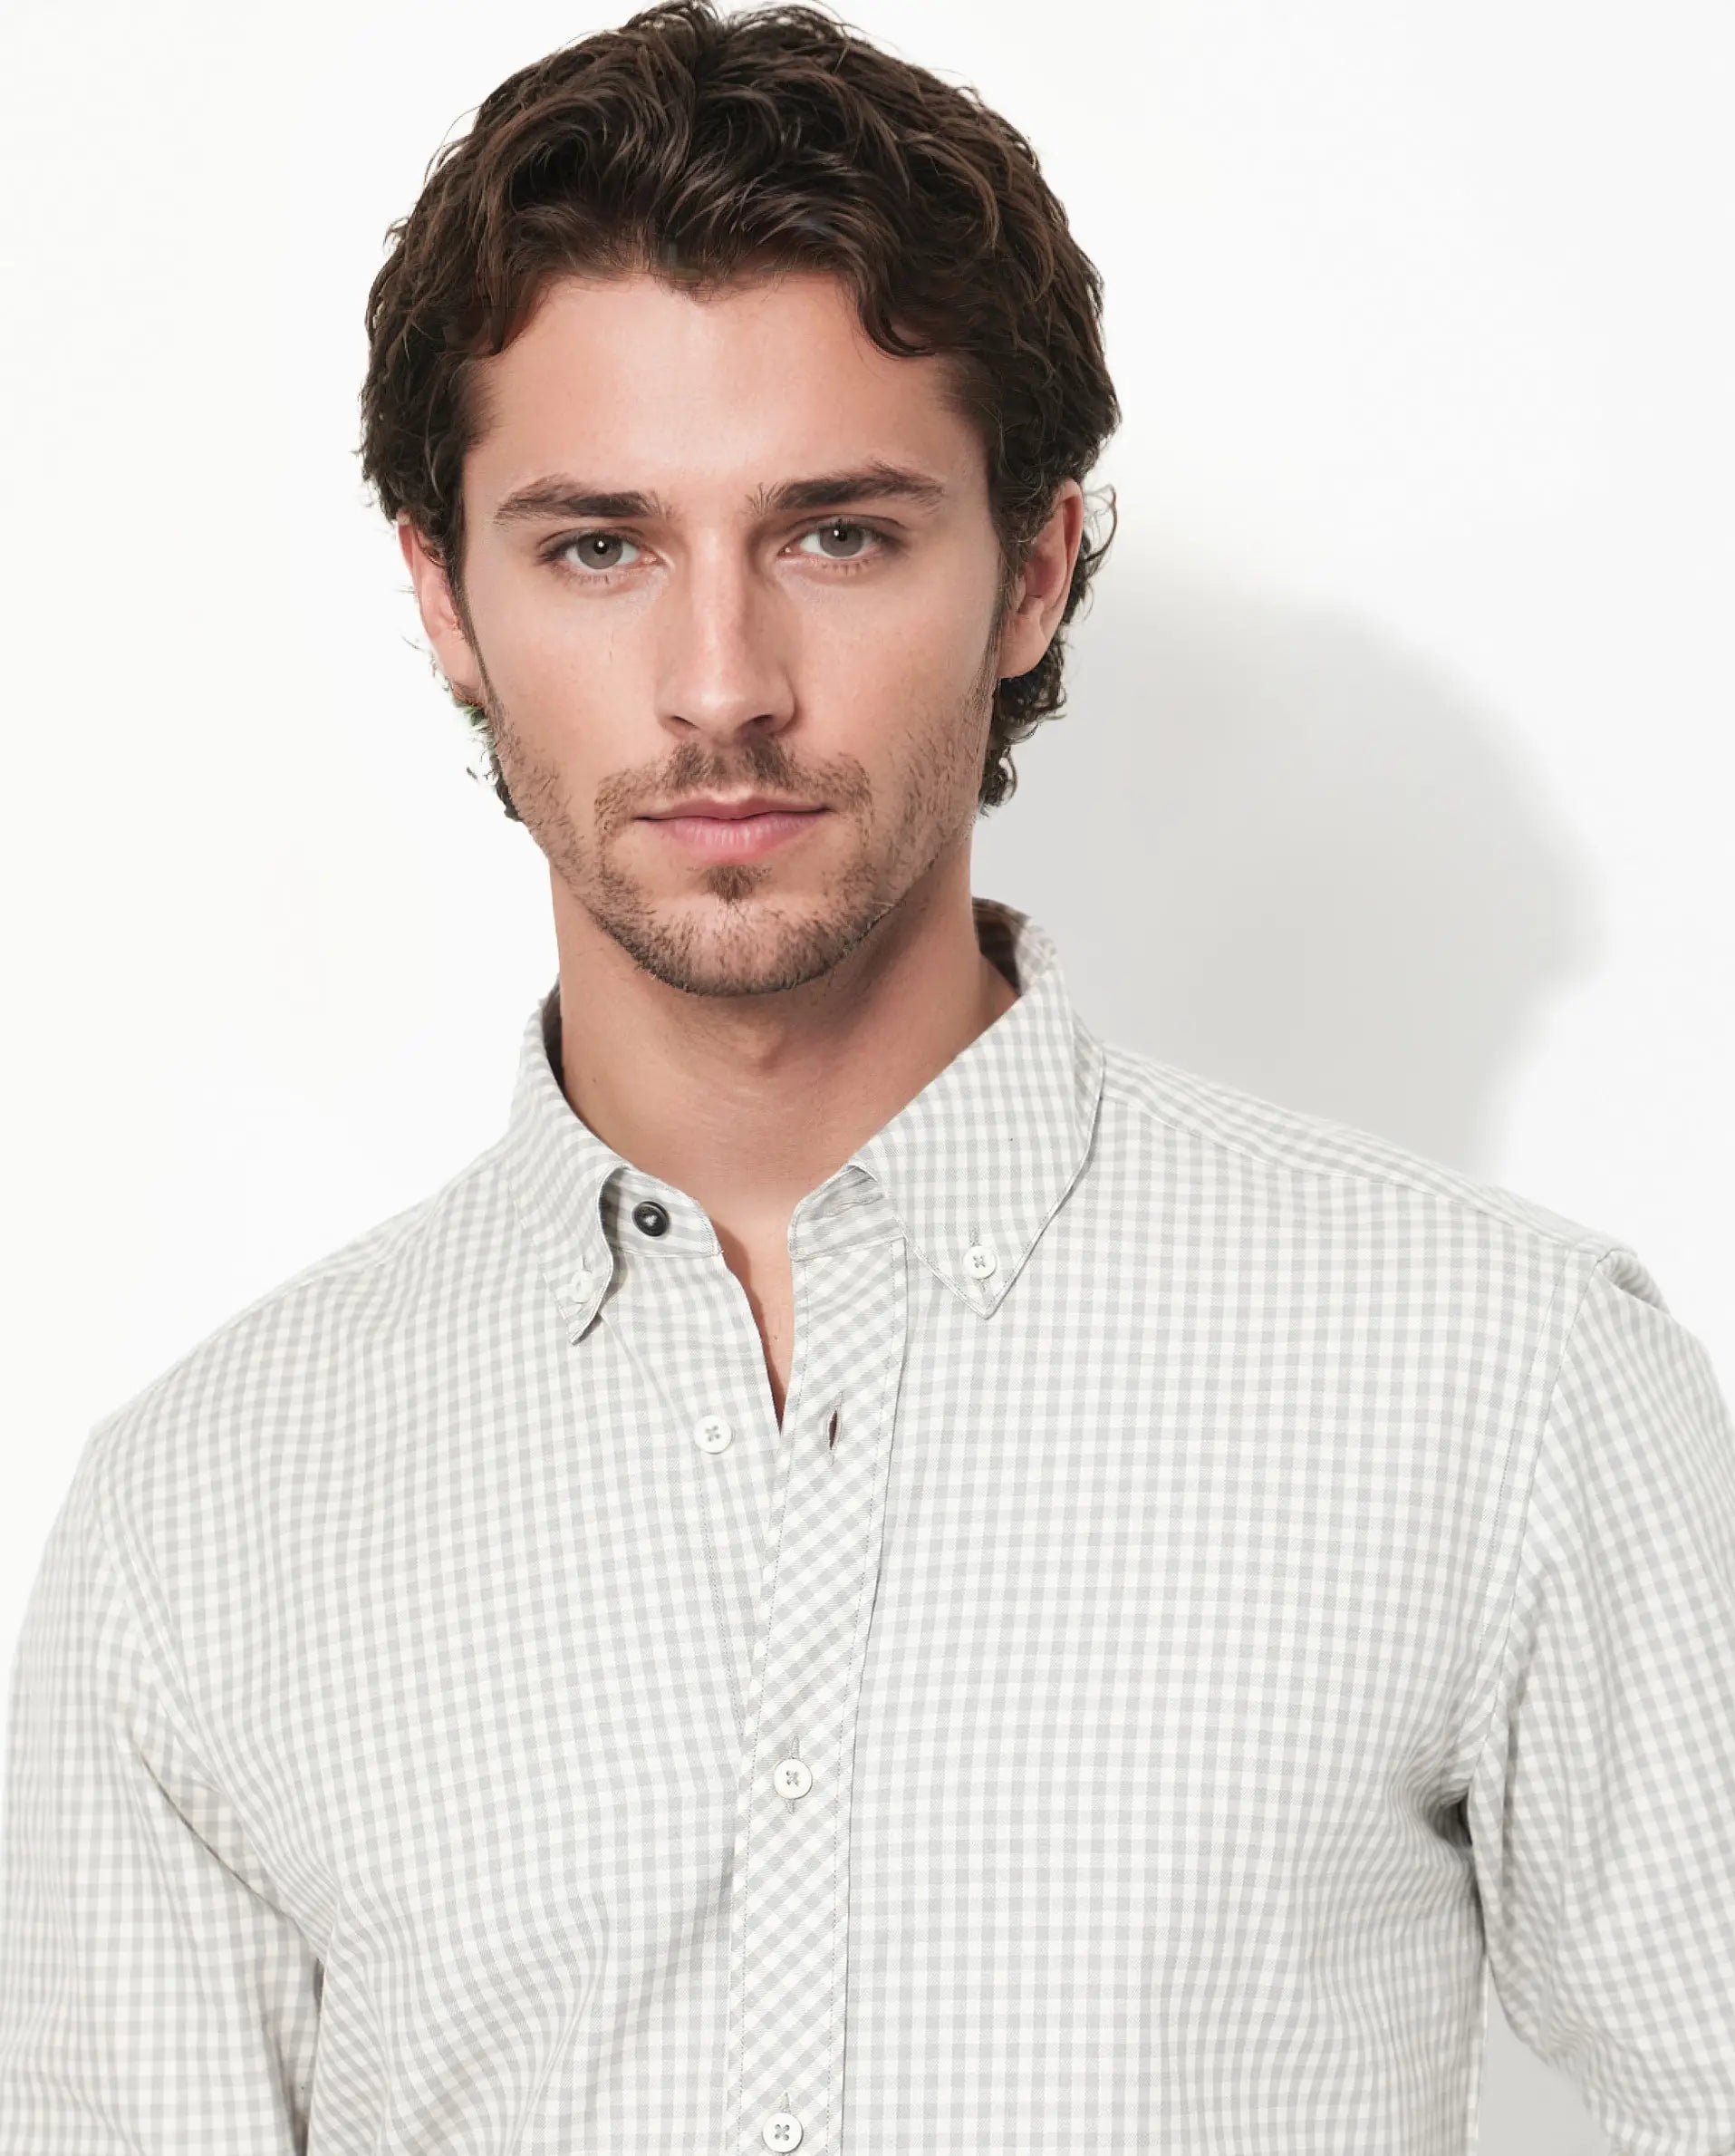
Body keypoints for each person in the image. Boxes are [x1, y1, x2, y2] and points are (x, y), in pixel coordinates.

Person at [3, 2, 1732, 2149]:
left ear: (1030, 571)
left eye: (836, 532)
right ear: (444, 598)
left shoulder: (1503, 1379)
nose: (720, 686)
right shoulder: (203, 1518)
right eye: (597, 543)